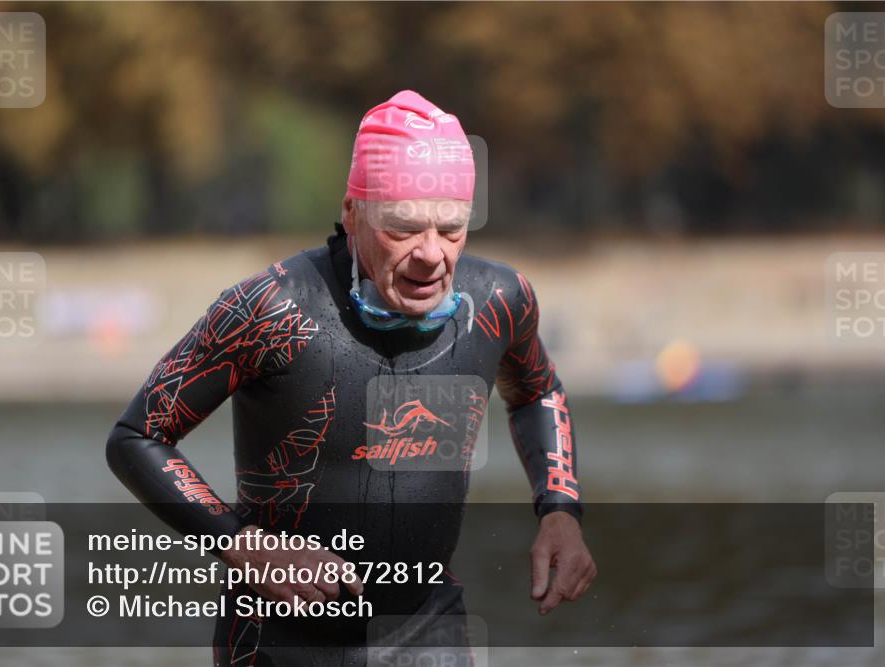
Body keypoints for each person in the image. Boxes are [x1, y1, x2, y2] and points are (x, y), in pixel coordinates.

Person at [107, 90, 596, 666]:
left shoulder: (498, 302)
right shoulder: (272, 308)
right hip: (278, 642)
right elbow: (137, 437)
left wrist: (560, 509)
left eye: (452, 228)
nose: (431, 255)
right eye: (404, 228)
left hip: (428, 635)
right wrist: (244, 545)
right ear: (352, 212)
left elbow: (536, 390)